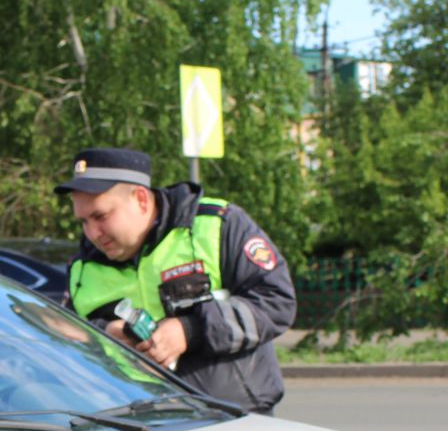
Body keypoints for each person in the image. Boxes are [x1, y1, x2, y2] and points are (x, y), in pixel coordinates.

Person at [58, 146, 296, 413]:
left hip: (232, 419)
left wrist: (189, 330)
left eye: (101, 216)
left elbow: (276, 302)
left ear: (141, 200)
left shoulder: (216, 225)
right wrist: (104, 334)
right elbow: (65, 340)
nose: (92, 233)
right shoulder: (83, 266)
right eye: (83, 222)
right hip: (131, 427)